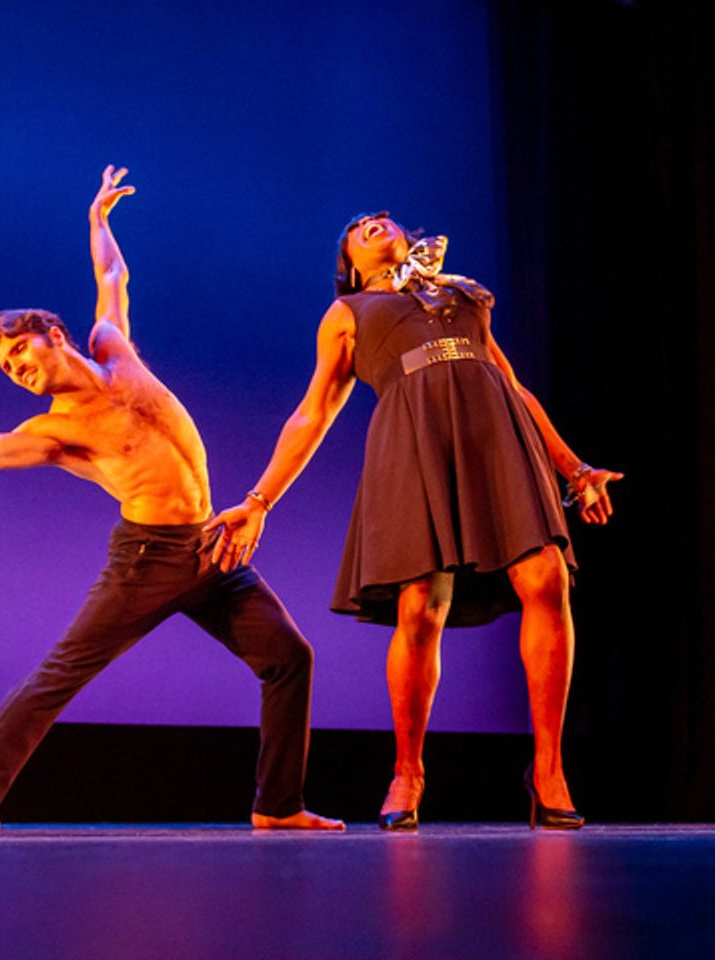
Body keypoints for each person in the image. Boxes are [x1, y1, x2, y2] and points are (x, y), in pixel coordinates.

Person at [0, 166, 343, 832]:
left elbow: (113, 281)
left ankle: (278, 806)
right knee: (61, 673)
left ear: (54, 336)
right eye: (6, 366)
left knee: (289, 658)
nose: (16, 369)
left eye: (19, 352)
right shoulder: (54, 430)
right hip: (146, 560)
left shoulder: (113, 346)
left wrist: (98, 222)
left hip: (213, 548)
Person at [206, 214, 622, 829]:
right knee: (421, 603)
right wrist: (259, 500)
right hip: (414, 443)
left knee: (547, 579)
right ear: (349, 260)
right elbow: (312, 414)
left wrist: (574, 468)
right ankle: (408, 771)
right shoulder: (349, 311)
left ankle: (549, 769)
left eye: (383, 218)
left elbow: (513, 386)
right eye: (358, 227)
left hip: (496, 438)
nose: (375, 223)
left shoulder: (461, 294)